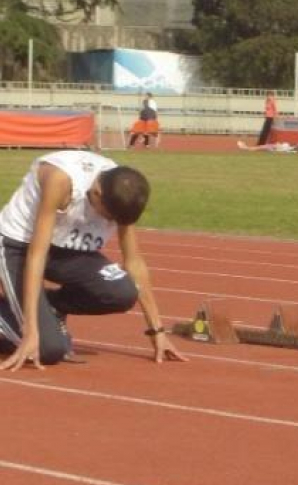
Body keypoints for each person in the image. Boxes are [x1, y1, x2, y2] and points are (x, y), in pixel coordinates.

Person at [0, 151, 187, 370]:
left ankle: (48, 308)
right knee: (48, 349)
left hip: (65, 250)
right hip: (19, 247)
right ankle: (32, 319)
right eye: (108, 217)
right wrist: (30, 330)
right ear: (96, 193)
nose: (108, 223)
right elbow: (36, 254)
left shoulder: (122, 190)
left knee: (123, 292)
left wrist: (157, 330)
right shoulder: (61, 181)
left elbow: (134, 262)